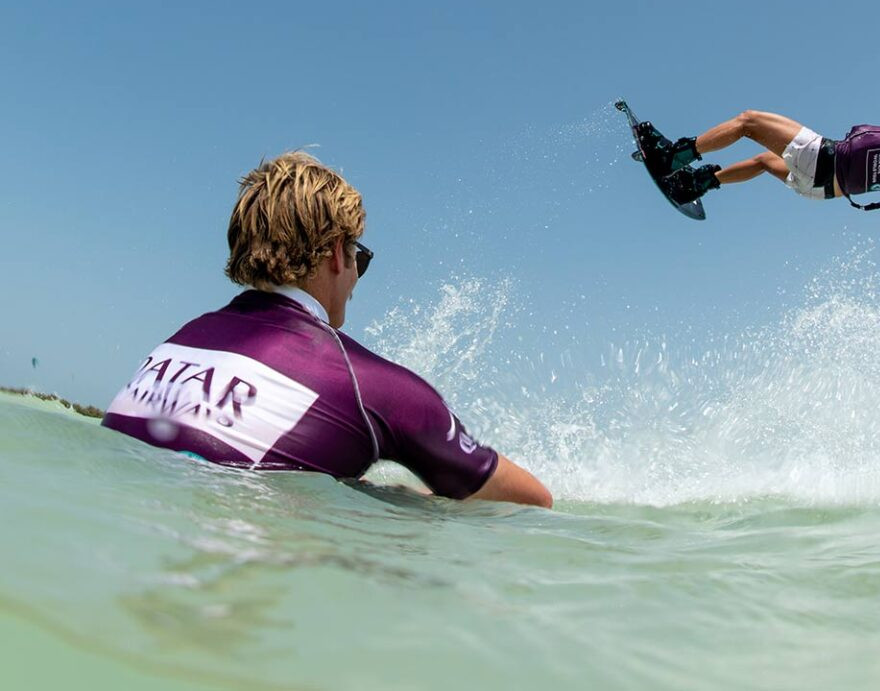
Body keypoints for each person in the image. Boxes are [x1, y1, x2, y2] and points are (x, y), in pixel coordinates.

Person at [101, 152, 551, 508]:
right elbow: (532, 502)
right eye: (361, 258)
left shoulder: (182, 340)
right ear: (338, 254)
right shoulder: (370, 385)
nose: (356, 279)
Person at [638, 93, 880, 226]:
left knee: (748, 122)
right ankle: (696, 183)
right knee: (763, 162)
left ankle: (673, 159)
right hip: (821, 190)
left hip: (822, 159)